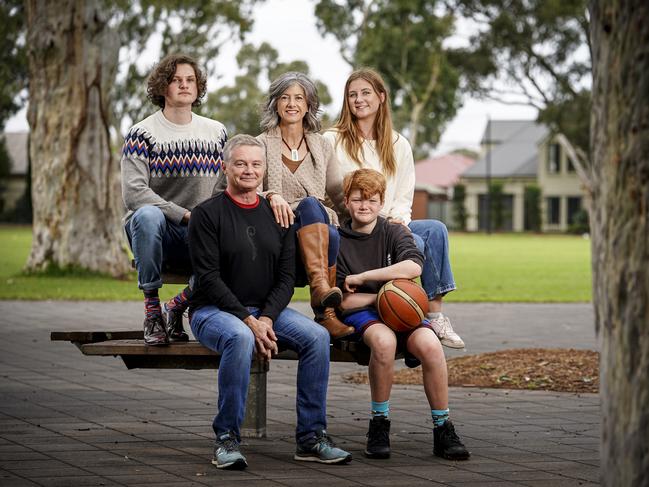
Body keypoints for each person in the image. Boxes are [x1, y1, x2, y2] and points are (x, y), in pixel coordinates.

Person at [188, 134, 352, 470]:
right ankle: (226, 439)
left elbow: (286, 279)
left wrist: (265, 317)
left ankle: (311, 438)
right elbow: (208, 278)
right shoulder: (206, 214)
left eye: (256, 164)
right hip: (214, 311)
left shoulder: (279, 216)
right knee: (240, 336)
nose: (249, 170)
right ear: (226, 167)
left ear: (264, 170)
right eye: (241, 163)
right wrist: (250, 321)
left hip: (265, 312)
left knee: (317, 337)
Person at [323, 68, 464, 349]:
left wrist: (398, 221)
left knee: (434, 230)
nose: (358, 99)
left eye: (365, 93)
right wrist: (358, 216)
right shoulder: (331, 140)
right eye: (352, 95)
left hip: (391, 221)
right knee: (415, 244)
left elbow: (403, 192)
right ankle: (401, 307)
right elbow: (332, 192)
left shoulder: (399, 144)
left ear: (381, 97)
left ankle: (434, 313)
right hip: (354, 224)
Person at [336, 168, 470, 461]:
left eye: (371, 200)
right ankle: (379, 423)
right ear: (346, 202)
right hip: (364, 312)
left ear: (381, 203)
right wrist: (383, 296)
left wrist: (365, 276)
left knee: (431, 345)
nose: (364, 206)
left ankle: (442, 426)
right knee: (384, 343)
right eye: (357, 199)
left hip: (401, 310)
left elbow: (413, 268)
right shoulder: (338, 239)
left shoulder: (393, 230)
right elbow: (345, 301)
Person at [216, 72, 352, 338]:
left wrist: (372, 218)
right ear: (275, 104)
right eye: (285, 97)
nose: (292, 104)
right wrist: (269, 194)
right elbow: (235, 185)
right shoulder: (260, 143)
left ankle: (326, 308)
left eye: (299, 98)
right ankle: (323, 303)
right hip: (274, 225)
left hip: (314, 228)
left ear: (309, 104)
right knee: (314, 207)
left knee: (329, 227)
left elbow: (337, 191)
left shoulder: (322, 146)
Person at [121, 54, 227, 346]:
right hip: (156, 232)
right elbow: (134, 193)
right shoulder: (142, 133)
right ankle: (153, 310)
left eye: (190, 80)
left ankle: (178, 304)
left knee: (233, 237)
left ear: (198, 86)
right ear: (162, 87)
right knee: (147, 215)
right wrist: (184, 215)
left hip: (200, 232)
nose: (184, 85)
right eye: (175, 80)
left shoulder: (216, 132)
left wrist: (208, 221)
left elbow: (224, 188)